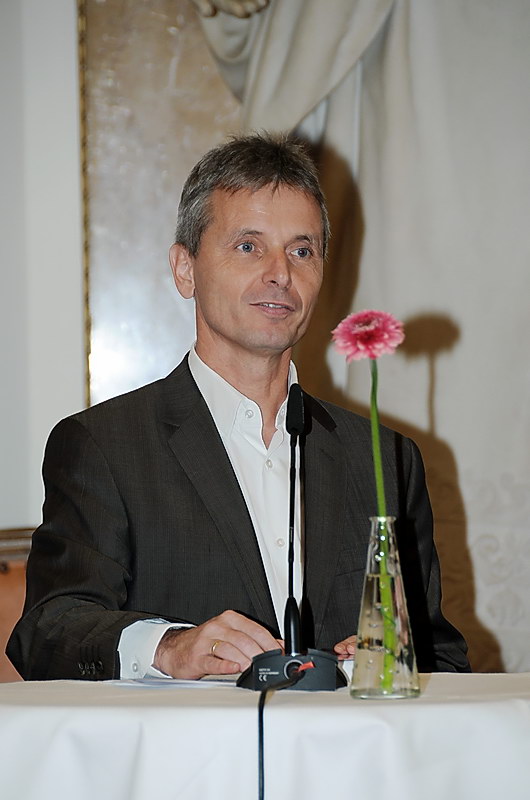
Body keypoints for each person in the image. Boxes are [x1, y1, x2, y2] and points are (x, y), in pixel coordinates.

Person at [7, 133, 469, 681]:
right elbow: (48, 630)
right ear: (185, 269)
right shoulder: (104, 446)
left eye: (302, 251)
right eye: (249, 246)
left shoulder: (385, 458)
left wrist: (388, 660)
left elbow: (440, 656)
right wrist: (169, 648)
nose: (281, 273)